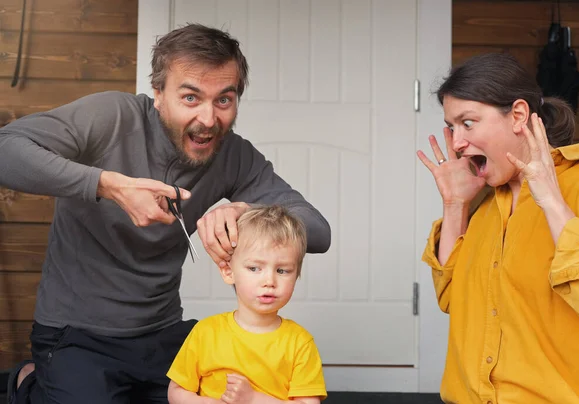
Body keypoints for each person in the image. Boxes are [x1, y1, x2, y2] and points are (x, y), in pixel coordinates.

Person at [1, 24, 331, 404]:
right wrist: (110, 185)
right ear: (158, 94)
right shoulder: (110, 116)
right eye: (191, 98)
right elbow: (6, 149)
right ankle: (29, 383)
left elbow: (318, 230)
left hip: (161, 332)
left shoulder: (235, 155)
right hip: (76, 334)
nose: (208, 119)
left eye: (223, 100)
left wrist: (247, 211)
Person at [417, 53, 579, 404]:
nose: (456, 142)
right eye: (452, 126)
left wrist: (551, 202)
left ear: (518, 115)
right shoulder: (486, 206)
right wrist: (456, 206)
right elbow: (453, 301)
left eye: (467, 123)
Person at [167, 205, 326, 404]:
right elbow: (176, 392)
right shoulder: (205, 333)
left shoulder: (300, 343)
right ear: (228, 272)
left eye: (282, 271)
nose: (269, 280)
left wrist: (252, 399)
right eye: (254, 268)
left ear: (296, 276)